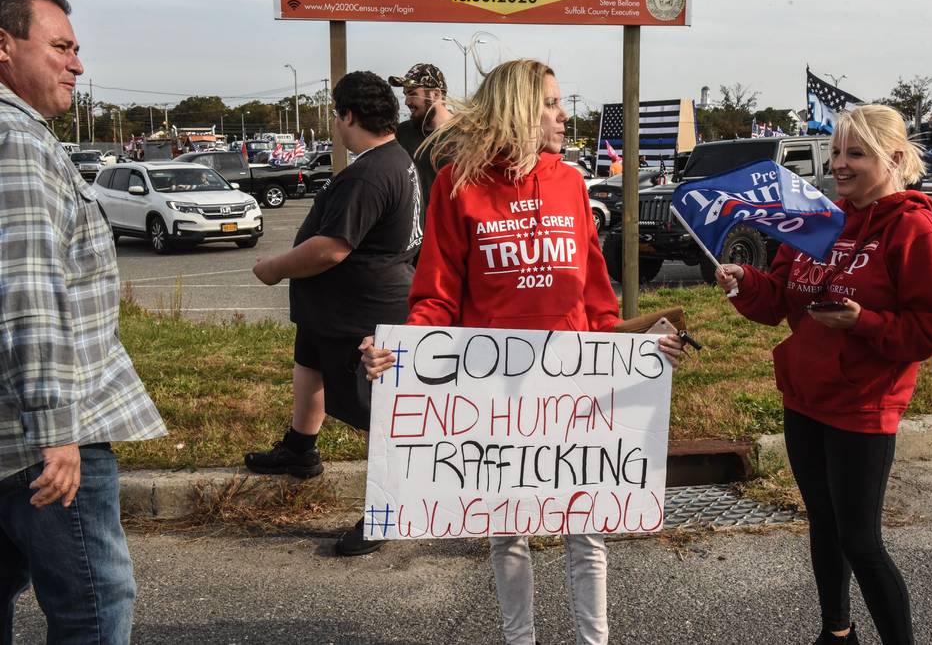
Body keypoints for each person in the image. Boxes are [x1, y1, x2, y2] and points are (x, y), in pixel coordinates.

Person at [359, 59, 684, 645]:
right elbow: (436, 296)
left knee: (586, 528)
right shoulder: (459, 186)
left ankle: (594, 640)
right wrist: (401, 353)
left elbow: (595, 295)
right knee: (507, 530)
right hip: (493, 394)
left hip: (572, 383)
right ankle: (520, 638)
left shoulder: (571, 184)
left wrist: (636, 351)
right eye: (552, 104)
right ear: (517, 111)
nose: (564, 115)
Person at [715, 104, 932, 645]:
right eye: (836, 153)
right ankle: (837, 633)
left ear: (894, 158)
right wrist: (743, 282)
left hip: (863, 403)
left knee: (861, 540)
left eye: (855, 153)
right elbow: (779, 298)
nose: (840, 166)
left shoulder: (914, 230)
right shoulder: (820, 219)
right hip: (804, 396)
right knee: (823, 525)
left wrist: (864, 321)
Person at [0, 0, 168, 640]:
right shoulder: (18, 141)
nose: (77, 64)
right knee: (93, 610)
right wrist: (56, 432)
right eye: (61, 47)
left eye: (76, 49)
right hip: (41, 446)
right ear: (5, 47)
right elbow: (28, 292)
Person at [244, 70, 422, 557]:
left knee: (372, 416)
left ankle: (389, 509)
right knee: (311, 365)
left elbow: (331, 249)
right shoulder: (393, 158)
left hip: (358, 312)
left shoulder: (369, 172)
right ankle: (300, 451)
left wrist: (276, 268)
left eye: (335, 114)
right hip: (331, 311)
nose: (335, 123)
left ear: (347, 115)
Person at [388, 63, 452, 222]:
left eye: (412, 94)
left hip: (453, 233)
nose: (407, 101)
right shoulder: (401, 133)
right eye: (405, 94)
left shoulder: (466, 133)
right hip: (415, 236)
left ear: (436, 94)